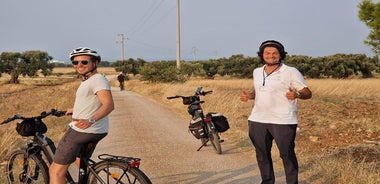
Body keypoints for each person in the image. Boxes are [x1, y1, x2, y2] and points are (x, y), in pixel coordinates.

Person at [240, 40, 312, 184]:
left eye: (274, 53)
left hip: (283, 121)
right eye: (267, 53)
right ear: (262, 55)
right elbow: (260, 91)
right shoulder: (257, 72)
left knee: (287, 155)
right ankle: (267, 181)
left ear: (280, 55)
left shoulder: (291, 71)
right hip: (258, 120)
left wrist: (297, 95)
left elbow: (308, 93)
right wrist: (250, 96)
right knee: (262, 155)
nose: (271, 56)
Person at [49, 47, 114, 184]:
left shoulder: (96, 80)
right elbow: (94, 101)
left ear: (95, 63)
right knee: (81, 163)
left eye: (84, 62)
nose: (79, 65)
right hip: (97, 131)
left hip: (83, 131)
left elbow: (108, 104)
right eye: (75, 62)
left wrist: (91, 120)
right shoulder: (90, 80)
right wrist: (75, 110)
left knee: (56, 171)